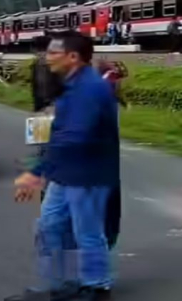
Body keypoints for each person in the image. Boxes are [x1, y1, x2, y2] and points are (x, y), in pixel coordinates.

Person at [8, 31, 120, 301]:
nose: (48, 58)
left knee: (88, 232)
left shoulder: (90, 88)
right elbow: (60, 133)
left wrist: (35, 173)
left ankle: (96, 286)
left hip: (88, 174)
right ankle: (57, 283)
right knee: (49, 226)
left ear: (73, 57)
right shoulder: (71, 84)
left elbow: (74, 138)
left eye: (53, 53)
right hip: (64, 173)